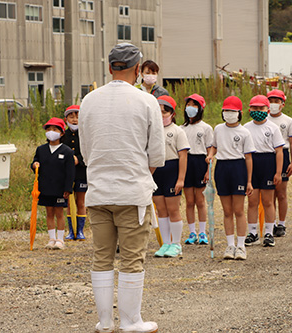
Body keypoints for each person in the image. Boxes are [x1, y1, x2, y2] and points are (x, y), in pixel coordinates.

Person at [79, 43, 164, 333]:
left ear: (110, 67)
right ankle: (130, 321)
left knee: (101, 255)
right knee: (132, 257)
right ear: (138, 70)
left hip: (98, 192)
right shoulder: (146, 101)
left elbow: (86, 152)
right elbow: (156, 155)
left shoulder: (89, 100)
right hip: (132, 192)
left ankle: (105, 322)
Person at [207, 96, 255, 260]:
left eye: (232, 111)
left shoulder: (244, 132)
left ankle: (241, 246)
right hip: (222, 168)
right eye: (226, 110)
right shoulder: (218, 129)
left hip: (238, 168)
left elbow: (248, 157)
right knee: (227, 211)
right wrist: (210, 155)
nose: (229, 114)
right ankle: (230, 245)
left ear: (240, 113)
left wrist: (249, 181)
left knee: (238, 210)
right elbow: (214, 146)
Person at [243, 95, 284, 247]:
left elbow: (279, 151)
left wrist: (278, 172)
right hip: (252, 162)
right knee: (252, 201)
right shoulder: (246, 128)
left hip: (268, 162)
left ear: (267, 110)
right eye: (255, 108)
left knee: (268, 201)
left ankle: (268, 232)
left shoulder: (273, 128)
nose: (258, 111)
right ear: (249, 109)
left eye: (261, 108)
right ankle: (253, 232)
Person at [152, 95, 190, 258]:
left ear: (172, 113)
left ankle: (176, 244)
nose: (161, 115)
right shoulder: (152, 131)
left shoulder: (177, 131)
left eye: (164, 112)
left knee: (173, 209)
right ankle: (166, 243)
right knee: (161, 209)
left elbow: (183, 156)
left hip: (172, 169)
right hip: (156, 170)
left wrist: (180, 179)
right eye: (158, 112)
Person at [31, 117, 75, 250]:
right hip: (45, 187)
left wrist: (68, 188)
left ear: (61, 133)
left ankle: (60, 239)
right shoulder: (41, 149)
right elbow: (35, 162)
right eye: (48, 129)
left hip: (60, 188)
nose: (51, 132)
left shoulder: (67, 151)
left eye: (55, 129)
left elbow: (70, 172)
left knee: (59, 213)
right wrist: (34, 165)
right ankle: (51, 238)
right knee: (49, 212)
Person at [181, 94, 213, 245]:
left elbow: (210, 151)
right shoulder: (182, 128)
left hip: (200, 162)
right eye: (188, 105)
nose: (190, 108)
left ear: (200, 108)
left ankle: (202, 233)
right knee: (189, 201)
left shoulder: (206, 128)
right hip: (186, 162)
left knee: (200, 200)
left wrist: (207, 170)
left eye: (194, 105)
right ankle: (192, 232)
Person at [266, 89, 292, 237]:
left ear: (282, 104)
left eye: (276, 101)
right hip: (268, 155)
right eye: (271, 101)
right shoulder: (263, 119)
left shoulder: (288, 121)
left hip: (283, 154)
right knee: (269, 192)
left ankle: (282, 224)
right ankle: (271, 223)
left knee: (281, 193)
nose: (273, 104)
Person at [62, 105, 87, 241]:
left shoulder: (85, 134)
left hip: (81, 172)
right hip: (67, 173)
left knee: (81, 201)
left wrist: (79, 159)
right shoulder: (62, 135)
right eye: (71, 117)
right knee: (69, 202)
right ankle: (71, 230)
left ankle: (81, 230)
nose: (75, 119)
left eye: (77, 116)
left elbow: (89, 151)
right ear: (66, 119)